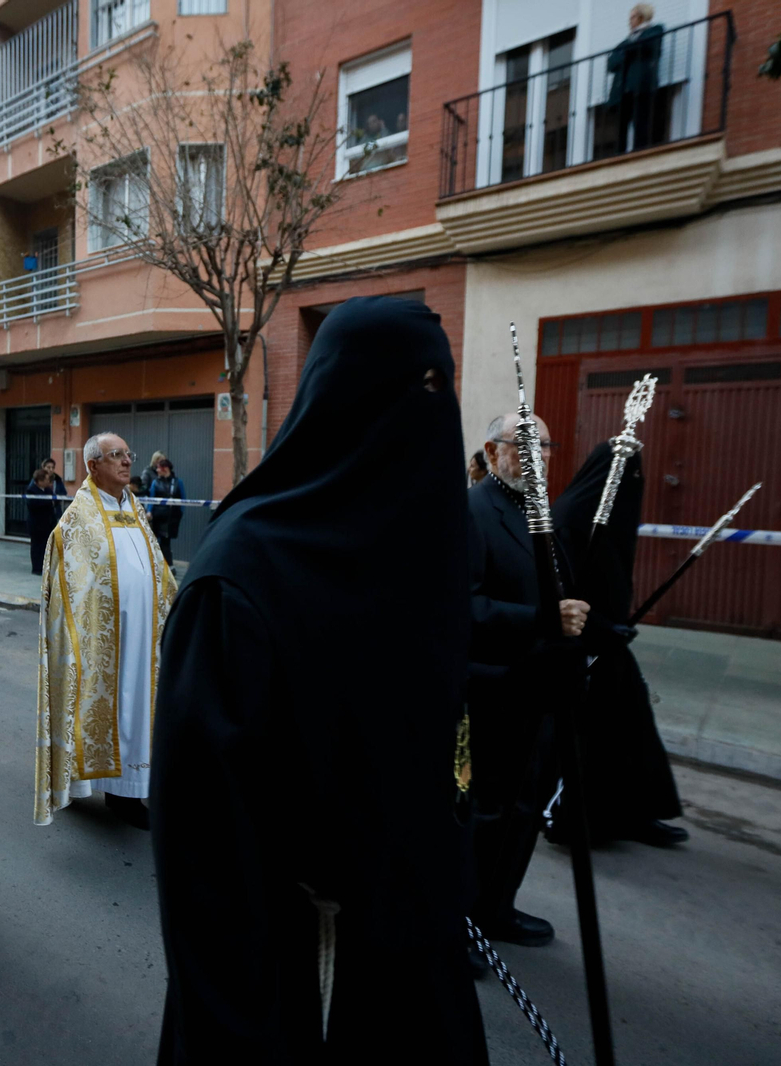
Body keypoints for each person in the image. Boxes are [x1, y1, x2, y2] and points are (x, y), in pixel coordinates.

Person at [151, 297, 488, 1061]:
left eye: (443, 386)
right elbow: (204, 857)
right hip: (290, 978)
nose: (434, 411)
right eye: (413, 388)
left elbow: (442, 737)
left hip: (413, 962)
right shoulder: (240, 576)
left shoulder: (421, 555)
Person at [466, 411, 588, 948]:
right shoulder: (473, 512)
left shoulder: (541, 513)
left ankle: (497, 907)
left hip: (542, 686)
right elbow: (461, 609)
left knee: (525, 808)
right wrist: (542, 621)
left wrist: (600, 629)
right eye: (522, 446)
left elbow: (557, 589)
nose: (535, 457)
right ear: (493, 453)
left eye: (544, 447)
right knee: (485, 811)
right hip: (493, 688)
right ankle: (459, 924)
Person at [34, 433, 176, 830]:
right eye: (116, 455)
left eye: (128, 454)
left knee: (138, 709)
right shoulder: (80, 517)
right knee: (112, 708)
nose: (126, 461)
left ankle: (131, 786)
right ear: (93, 466)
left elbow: (156, 565)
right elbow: (70, 583)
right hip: (105, 640)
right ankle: (121, 794)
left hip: (144, 634)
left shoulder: (133, 506)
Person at [550, 441, 687, 847]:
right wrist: (599, 627)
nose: (634, 485)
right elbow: (559, 591)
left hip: (611, 647)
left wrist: (617, 626)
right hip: (579, 648)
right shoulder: (571, 517)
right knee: (590, 741)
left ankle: (638, 814)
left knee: (632, 729)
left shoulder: (612, 520)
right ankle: (580, 821)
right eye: (627, 475)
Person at [607, 4, 665, 152]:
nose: (629, 21)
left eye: (632, 17)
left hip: (641, 87)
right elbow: (611, 62)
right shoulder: (626, 41)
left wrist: (626, 53)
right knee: (621, 128)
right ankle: (619, 156)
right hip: (622, 91)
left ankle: (639, 153)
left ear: (642, 17)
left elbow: (647, 46)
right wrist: (630, 52)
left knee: (641, 124)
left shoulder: (654, 31)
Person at [147, 457, 185, 569]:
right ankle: (164, 566)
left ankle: (168, 566)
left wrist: (179, 514)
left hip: (171, 519)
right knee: (158, 541)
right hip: (158, 517)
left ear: (165, 469)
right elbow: (151, 499)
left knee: (165, 542)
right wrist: (149, 512)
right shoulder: (155, 483)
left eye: (158, 468)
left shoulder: (178, 482)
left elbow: (183, 499)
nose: (157, 470)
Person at [24, 467, 57, 576]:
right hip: (36, 524)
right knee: (37, 546)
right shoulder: (31, 490)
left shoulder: (48, 490)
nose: (49, 481)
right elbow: (34, 504)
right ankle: (36, 568)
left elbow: (53, 503)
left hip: (48, 522)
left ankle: (46, 567)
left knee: (46, 546)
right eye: (46, 479)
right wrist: (47, 503)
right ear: (40, 481)